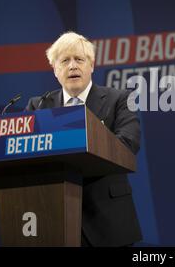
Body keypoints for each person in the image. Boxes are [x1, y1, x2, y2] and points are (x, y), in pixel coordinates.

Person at [25, 31, 142, 247]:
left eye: (79, 59)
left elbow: (128, 144)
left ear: (92, 65)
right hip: (54, 219)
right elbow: (24, 152)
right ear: (55, 70)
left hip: (108, 220)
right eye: (65, 60)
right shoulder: (39, 106)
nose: (72, 66)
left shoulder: (120, 99)